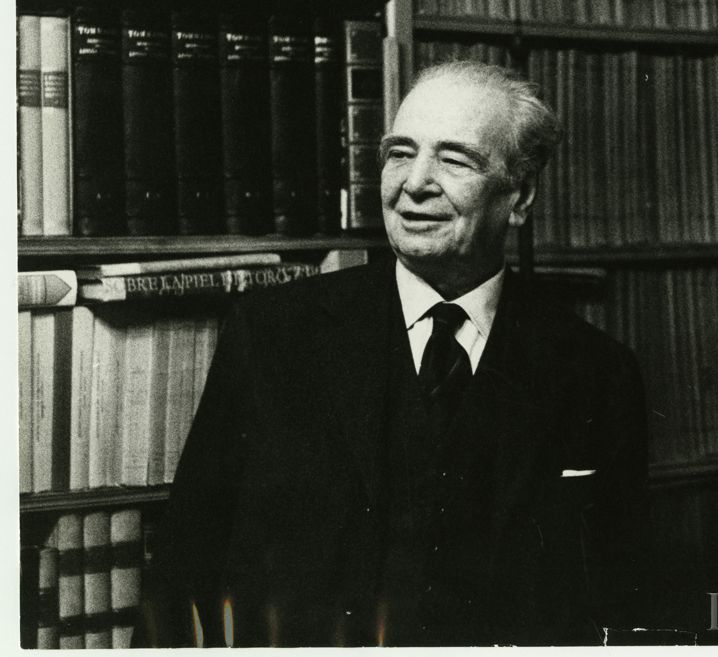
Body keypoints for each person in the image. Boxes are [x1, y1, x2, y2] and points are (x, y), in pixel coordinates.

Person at [138, 61, 648, 647]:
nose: (414, 183)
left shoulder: (595, 372)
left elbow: (620, 597)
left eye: (455, 160)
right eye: (400, 153)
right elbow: (184, 569)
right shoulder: (273, 335)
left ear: (521, 195)